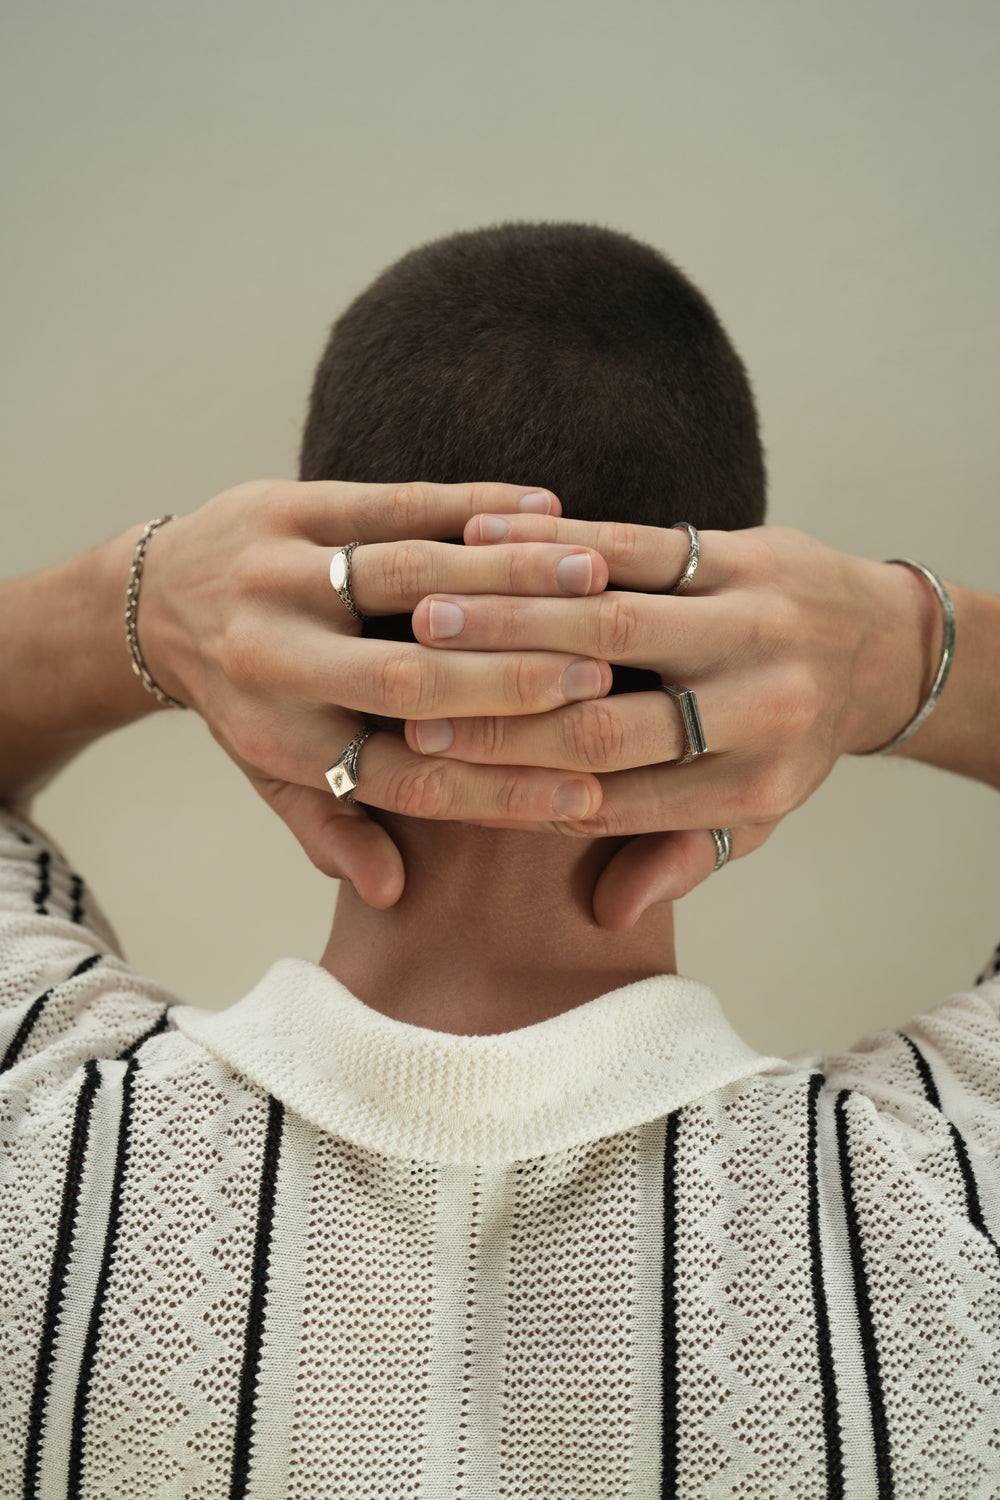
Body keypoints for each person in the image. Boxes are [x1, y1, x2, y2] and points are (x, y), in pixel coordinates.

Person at [1, 223, 998, 1498]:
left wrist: (132, 606)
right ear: (743, 650)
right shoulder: (960, 1204)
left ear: (295, 641)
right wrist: (913, 651)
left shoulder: (33, 1136)